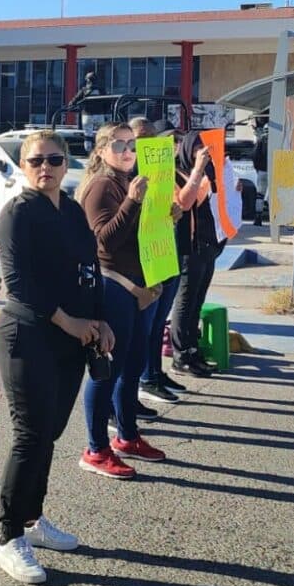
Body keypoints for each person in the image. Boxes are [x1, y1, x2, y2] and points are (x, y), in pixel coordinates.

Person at [0, 130, 113, 585]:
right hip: (28, 334)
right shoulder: (16, 215)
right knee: (30, 435)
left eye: (54, 159)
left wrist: (100, 320)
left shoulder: (73, 211)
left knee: (50, 434)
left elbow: (90, 269)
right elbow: (19, 285)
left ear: (66, 163)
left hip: (72, 338)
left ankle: (31, 519)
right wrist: (70, 322)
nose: (45, 167)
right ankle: (7, 537)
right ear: (22, 166)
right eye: (35, 160)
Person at [76, 123, 169, 482]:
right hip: (114, 287)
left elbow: (137, 232)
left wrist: (164, 216)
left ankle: (127, 436)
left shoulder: (127, 181)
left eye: (132, 143)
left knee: (132, 368)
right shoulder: (102, 186)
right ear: (101, 151)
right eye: (119, 144)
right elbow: (105, 242)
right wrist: (132, 200)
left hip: (138, 286)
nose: (128, 149)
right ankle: (96, 448)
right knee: (108, 370)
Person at [137, 118, 187, 405]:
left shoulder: (165, 170)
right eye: (139, 138)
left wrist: (172, 211)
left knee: (157, 324)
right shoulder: (127, 176)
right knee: (145, 328)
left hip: (164, 252)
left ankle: (154, 373)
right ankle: (146, 377)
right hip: (143, 263)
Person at [169, 131, 223, 378]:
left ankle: (192, 349)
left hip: (207, 244)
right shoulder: (175, 174)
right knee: (185, 301)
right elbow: (184, 203)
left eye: (205, 148)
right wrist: (198, 170)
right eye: (196, 148)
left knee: (197, 301)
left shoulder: (207, 171)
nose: (201, 153)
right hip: (188, 247)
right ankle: (180, 356)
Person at [252, 117, 269, 227]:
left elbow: (255, 155)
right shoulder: (278, 140)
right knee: (274, 195)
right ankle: (275, 219)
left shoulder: (260, 141)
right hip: (274, 170)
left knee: (260, 195)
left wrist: (257, 168)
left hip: (262, 170)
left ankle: (258, 217)